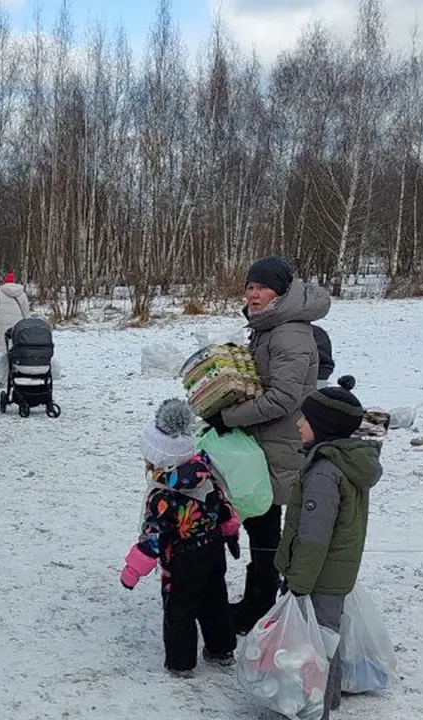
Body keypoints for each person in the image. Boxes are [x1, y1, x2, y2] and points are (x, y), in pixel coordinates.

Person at [206, 256, 330, 633]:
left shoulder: (289, 332)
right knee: (261, 521)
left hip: (279, 444)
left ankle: (260, 604)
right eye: (250, 287)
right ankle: (259, 599)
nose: (254, 294)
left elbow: (282, 399)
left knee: (265, 524)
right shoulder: (268, 327)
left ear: (281, 291)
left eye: (262, 287)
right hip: (262, 441)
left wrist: (226, 417)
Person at [276, 377, 381, 720]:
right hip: (335, 572)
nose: (298, 423)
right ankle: (328, 699)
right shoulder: (345, 461)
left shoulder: (324, 473)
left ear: (321, 427)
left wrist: (299, 583)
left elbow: (314, 536)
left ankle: (312, 709)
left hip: (319, 576)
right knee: (327, 640)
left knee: (314, 646)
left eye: (304, 419)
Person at [120, 399, 240, 678]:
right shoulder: (205, 473)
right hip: (212, 549)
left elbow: (153, 538)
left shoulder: (162, 495)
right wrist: (230, 531)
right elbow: (223, 505)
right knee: (215, 600)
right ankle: (222, 649)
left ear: (159, 459)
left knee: (180, 610)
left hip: (182, 558)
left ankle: (181, 662)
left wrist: (133, 570)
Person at [0, 273, 30, 355]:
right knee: (14, 348)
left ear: (5, 282)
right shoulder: (22, 294)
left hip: (0, 326)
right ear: (14, 281)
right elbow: (26, 312)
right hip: (17, 325)